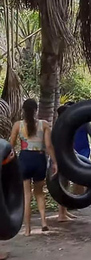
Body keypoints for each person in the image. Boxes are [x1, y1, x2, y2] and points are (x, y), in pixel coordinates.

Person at [9, 99, 57, 235]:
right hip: (39, 159)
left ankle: (28, 229)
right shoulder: (44, 125)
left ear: (23, 110)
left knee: (26, 195)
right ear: (36, 110)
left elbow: (10, 145)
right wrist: (55, 162)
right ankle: (43, 222)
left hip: (24, 159)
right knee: (40, 193)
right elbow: (48, 146)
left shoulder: (18, 125)